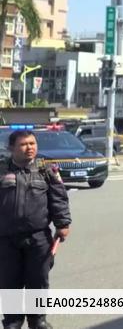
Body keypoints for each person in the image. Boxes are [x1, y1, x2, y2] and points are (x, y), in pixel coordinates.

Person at [0, 130, 71, 329]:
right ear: (11, 148)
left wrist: (62, 223)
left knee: (38, 280)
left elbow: (58, 198)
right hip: (5, 239)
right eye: (23, 144)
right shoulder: (2, 169)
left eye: (32, 143)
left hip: (39, 237)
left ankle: (37, 320)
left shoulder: (46, 170)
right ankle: (12, 322)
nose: (29, 147)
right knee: (9, 282)